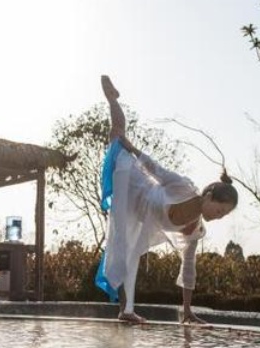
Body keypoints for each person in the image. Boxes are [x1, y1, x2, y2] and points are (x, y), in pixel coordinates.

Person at [96, 75, 238, 324]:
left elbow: (188, 269)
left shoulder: (195, 230)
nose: (219, 216)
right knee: (117, 135)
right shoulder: (183, 187)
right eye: (220, 209)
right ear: (209, 195)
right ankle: (113, 99)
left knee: (127, 252)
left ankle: (125, 310)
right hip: (135, 183)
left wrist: (187, 311)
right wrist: (132, 149)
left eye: (224, 214)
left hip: (137, 212)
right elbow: (155, 169)